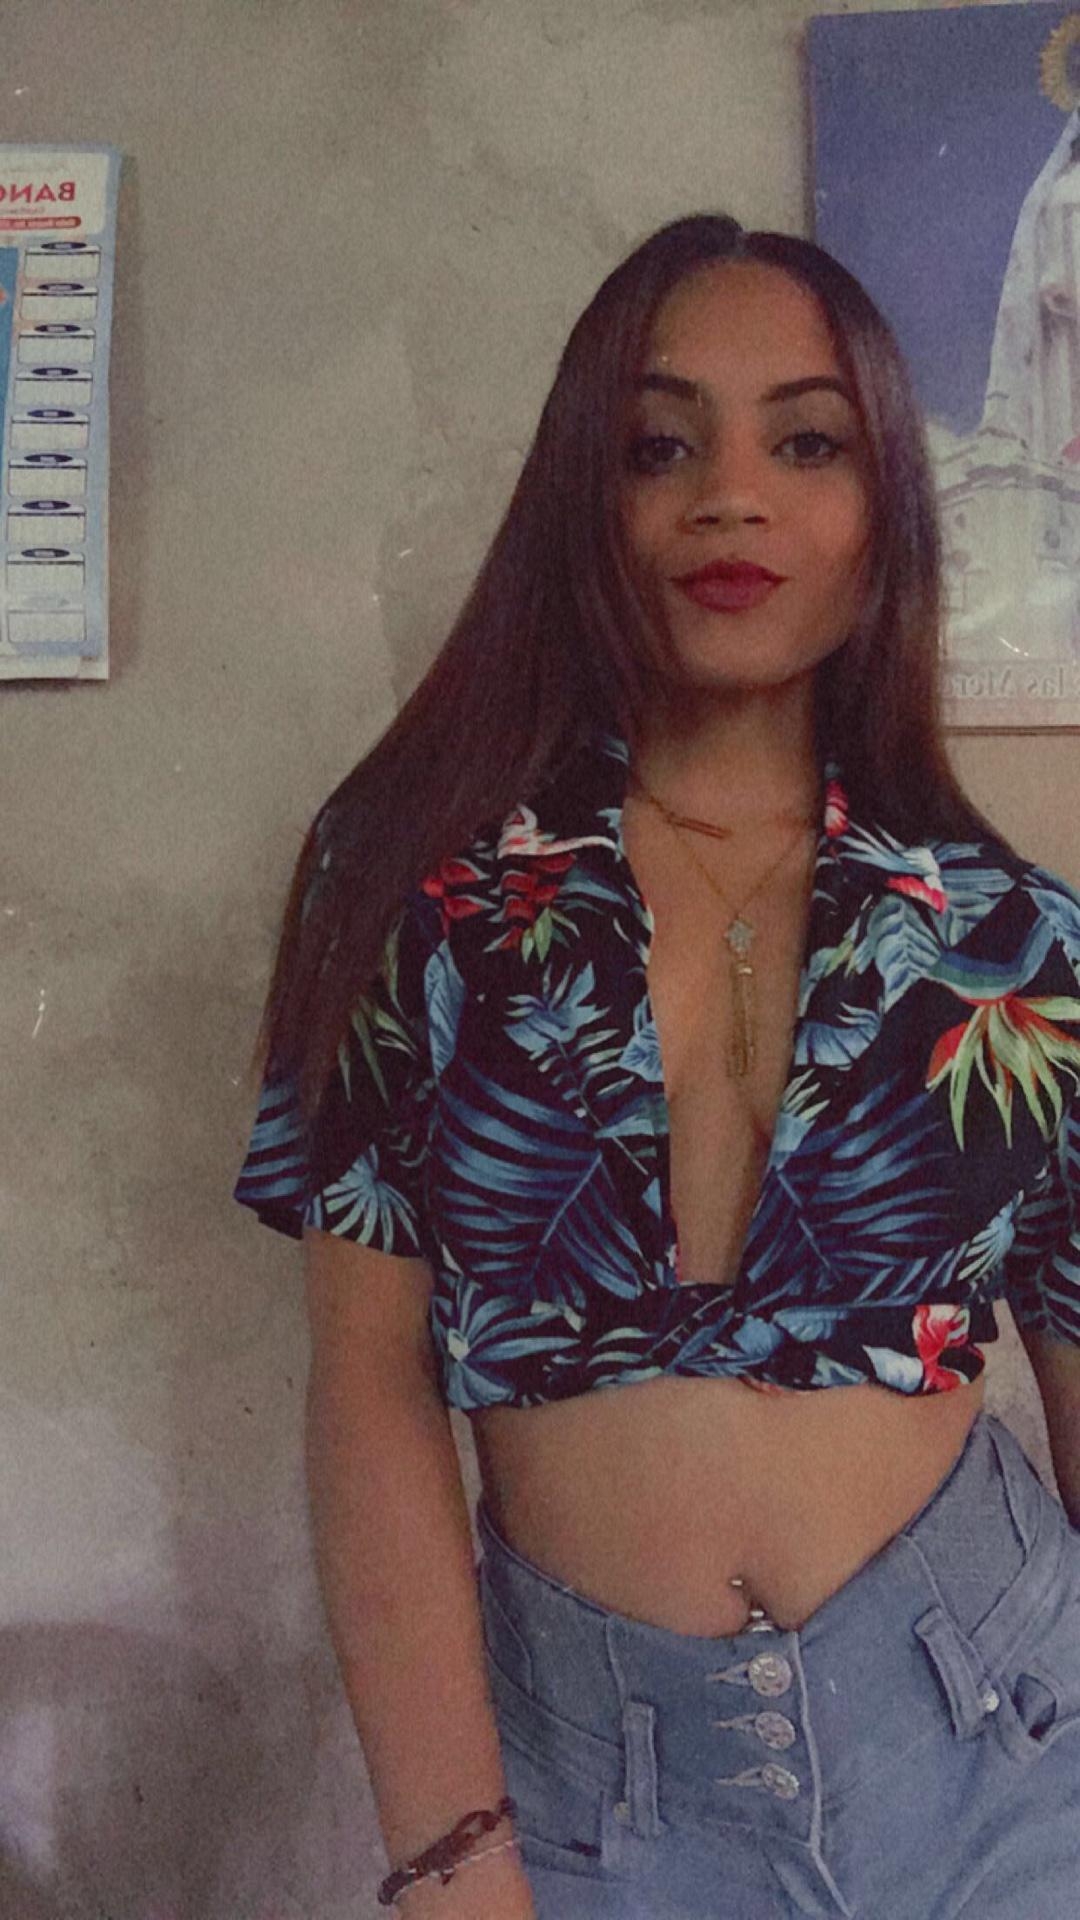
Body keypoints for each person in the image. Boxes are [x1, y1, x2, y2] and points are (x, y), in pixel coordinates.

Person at [233, 215, 1080, 1918]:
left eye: (807, 443)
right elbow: (370, 1388)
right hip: (595, 1796)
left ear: (885, 506)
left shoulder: (1011, 938)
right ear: (584, 497)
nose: (730, 498)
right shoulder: (415, 884)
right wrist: (450, 1857)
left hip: (1003, 1739)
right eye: (659, 446)